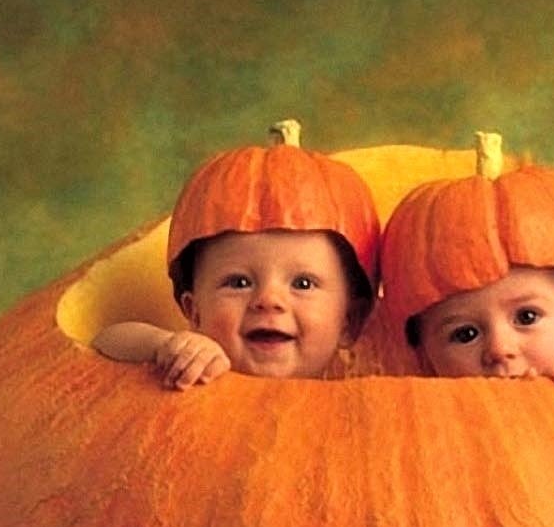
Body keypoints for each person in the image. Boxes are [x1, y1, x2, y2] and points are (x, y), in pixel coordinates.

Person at [94, 120, 379, 388]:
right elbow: (105, 341)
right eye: (239, 282)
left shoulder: (352, 403)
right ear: (194, 311)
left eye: (303, 284)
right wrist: (162, 345)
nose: (268, 300)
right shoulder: (197, 368)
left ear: (348, 322)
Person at [375, 132, 554, 391]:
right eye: (465, 334)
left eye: (527, 317)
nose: (499, 349)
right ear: (425, 359)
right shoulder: (423, 426)